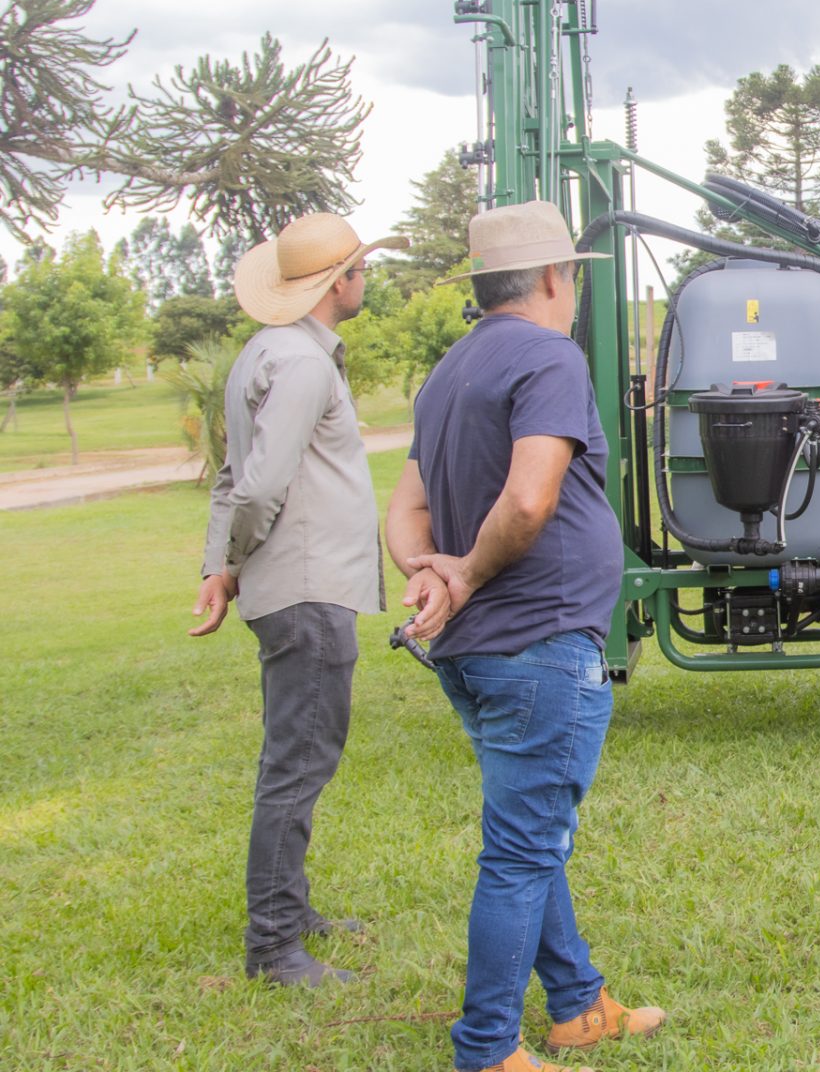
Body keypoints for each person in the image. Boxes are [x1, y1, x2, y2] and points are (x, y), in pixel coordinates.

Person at [385, 200, 664, 1072]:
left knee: (528, 830)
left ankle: (578, 1004)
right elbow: (534, 496)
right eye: (572, 275)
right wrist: (462, 571)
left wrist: (425, 567)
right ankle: (486, 1049)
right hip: (540, 644)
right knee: (521, 849)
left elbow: (405, 508)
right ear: (554, 278)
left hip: (474, 653)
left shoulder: (446, 372)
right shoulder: (549, 356)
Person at [191, 211, 406, 987]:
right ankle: (275, 945)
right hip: (308, 591)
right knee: (298, 763)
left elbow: (228, 481)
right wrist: (236, 563)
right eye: (358, 269)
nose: (364, 280)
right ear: (337, 282)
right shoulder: (304, 365)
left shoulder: (265, 353)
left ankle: (292, 909)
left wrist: (219, 569)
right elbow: (258, 488)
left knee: (296, 757)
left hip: (298, 590)